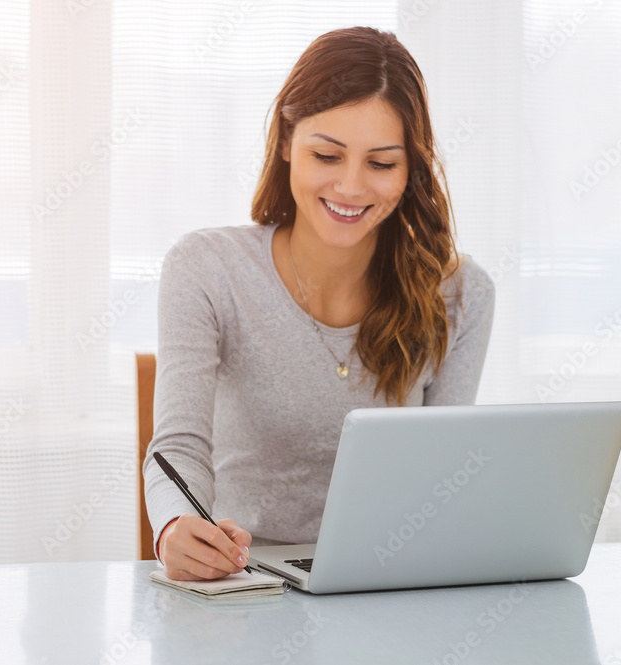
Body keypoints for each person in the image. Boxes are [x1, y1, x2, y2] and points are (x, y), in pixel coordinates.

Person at [143, 26, 495, 581]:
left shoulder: (461, 295)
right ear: (287, 141)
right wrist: (175, 528)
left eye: (381, 164)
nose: (352, 187)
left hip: (389, 587)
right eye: (327, 155)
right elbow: (178, 446)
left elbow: (442, 478)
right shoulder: (207, 268)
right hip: (246, 581)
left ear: (411, 169)